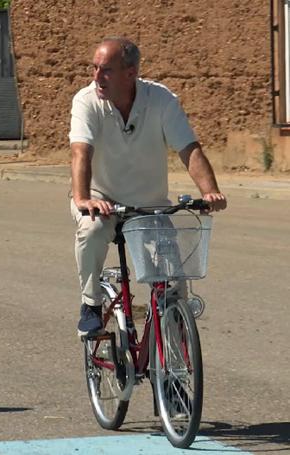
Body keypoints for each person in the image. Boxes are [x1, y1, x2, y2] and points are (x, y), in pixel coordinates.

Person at [69, 37, 227, 337]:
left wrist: (209, 191)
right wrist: (83, 198)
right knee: (91, 231)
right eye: (94, 68)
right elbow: (80, 152)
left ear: (130, 73)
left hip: (148, 205)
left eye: (106, 70)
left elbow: (189, 149)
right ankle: (90, 304)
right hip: (101, 200)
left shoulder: (161, 99)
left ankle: (175, 367)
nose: (96, 77)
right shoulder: (86, 101)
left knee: (173, 284)